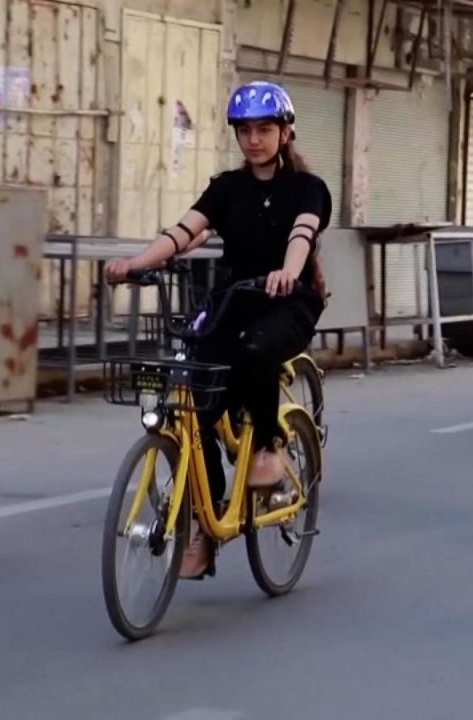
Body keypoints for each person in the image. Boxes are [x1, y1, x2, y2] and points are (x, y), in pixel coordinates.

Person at [106, 81, 330, 578]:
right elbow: (184, 231)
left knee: (256, 352)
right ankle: (205, 527)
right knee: (193, 399)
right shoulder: (227, 187)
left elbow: (302, 233)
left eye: (265, 129)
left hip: (287, 303)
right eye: (245, 130)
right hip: (232, 300)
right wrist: (134, 263)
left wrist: (289, 270)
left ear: (285, 132)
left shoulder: (306, 188)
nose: (254, 139)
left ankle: (269, 443)